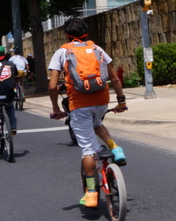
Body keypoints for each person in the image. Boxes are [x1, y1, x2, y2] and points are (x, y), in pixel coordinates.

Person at [47, 17, 128, 208]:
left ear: (66, 35)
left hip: (79, 103)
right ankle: (115, 148)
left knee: (88, 150)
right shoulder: (97, 49)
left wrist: (56, 108)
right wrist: (121, 101)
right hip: (101, 100)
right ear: (86, 33)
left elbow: (52, 86)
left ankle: (91, 192)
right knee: (97, 123)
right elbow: (115, 78)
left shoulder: (62, 52)